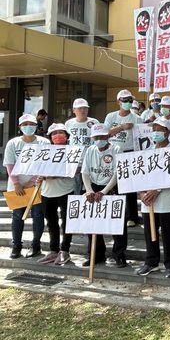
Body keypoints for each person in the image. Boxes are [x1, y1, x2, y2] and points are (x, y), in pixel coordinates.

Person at [136, 117, 170, 278]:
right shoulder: (147, 151)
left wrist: (157, 189)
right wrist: (142, 192)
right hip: (148, 201)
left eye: (159, 129)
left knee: (169, 233)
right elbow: (140, 175)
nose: (155, 132)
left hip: (167, 201)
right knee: (150, 233)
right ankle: (151, 262)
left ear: (167, 132)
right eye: (153, 129)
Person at [4, 114, 49, 259]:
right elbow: (9, 164)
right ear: (20, 127)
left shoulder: (44, 142)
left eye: (31, 123)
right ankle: (16, 245)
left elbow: (46, 164)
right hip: (16, 186)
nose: (28, 126)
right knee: (17, 216)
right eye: (25, 124)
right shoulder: (13, 143)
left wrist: (33, 181)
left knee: (37, 215)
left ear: (36, 126)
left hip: (37, 186)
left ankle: (36, 246)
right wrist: (17, 183)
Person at [81, 124, 126, 267]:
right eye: (96, 137)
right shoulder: (90, 150)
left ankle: (119, 255)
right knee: (92, 222)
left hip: (112, 187)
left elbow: (117, 173)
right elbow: (85, 172)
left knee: (117, 222)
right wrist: (88, 190)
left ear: (108, 136)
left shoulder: (117, 149)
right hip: (93, 187)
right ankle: (96, 254)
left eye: (102, 137)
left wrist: (104, 191)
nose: (99, 139)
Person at [37, 124, 75, 266]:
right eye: (54, 133)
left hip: (66, 191)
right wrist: (40, 176)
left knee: (67, 222)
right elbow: (36, 167)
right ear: (50, 137)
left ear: (66, 136)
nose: (57, 136)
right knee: (51, 222)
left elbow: (74, 170)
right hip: (47, 192)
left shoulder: (72, 151)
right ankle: (53, 250)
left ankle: (65, 250)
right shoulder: (44, 151)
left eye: (60, 133)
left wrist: (51, 175)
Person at [104, 89, 142, 227]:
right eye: (125, 100)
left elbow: (143, 136)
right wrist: (122, 127)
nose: (128, 103)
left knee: (129, 186)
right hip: (112, 153)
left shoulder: (137, 118)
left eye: (130, 100)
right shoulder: (111, 116)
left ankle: (131, 216)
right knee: (110, 183)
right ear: (118, 102)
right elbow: (104, 133)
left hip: (129, 152)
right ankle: (113, 212)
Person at [65, 98, 99, 195]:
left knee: (90, 187)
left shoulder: (94, 122)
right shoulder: (69, 123)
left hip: (90, 159)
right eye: (80, 108)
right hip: (74, 161)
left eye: (85, 108)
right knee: (76, 186)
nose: (83, 110)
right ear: (74, 110)